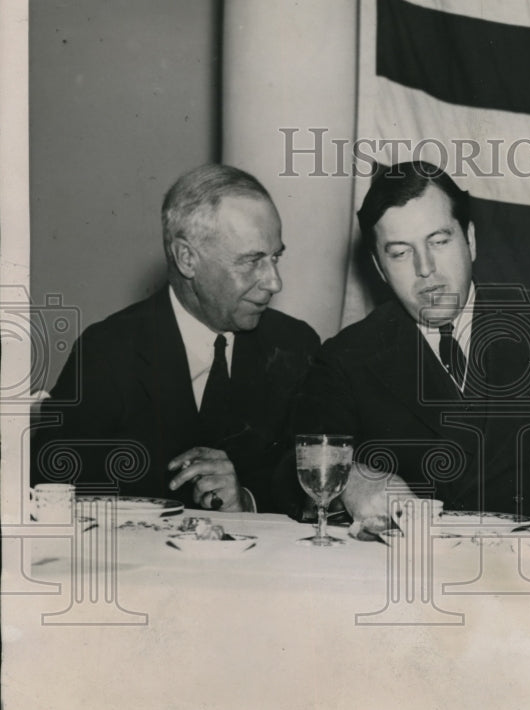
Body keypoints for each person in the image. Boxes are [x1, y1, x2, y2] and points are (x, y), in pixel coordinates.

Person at [291, 161, 530, 522]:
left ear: (469, 241)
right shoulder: (347, 357)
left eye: (439, 241)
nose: (426, 269)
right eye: (401, 253)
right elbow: (290, 465)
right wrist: (352, 479)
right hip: (404, 572)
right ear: (379, 269)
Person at [32, 164, 320, 512]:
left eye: (275, 257)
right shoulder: (107, 351)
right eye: (252, 260)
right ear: (187, 258)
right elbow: (50, 486)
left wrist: (246, 499)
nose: (274, 282)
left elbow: (313, 483)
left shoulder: (295, 345)